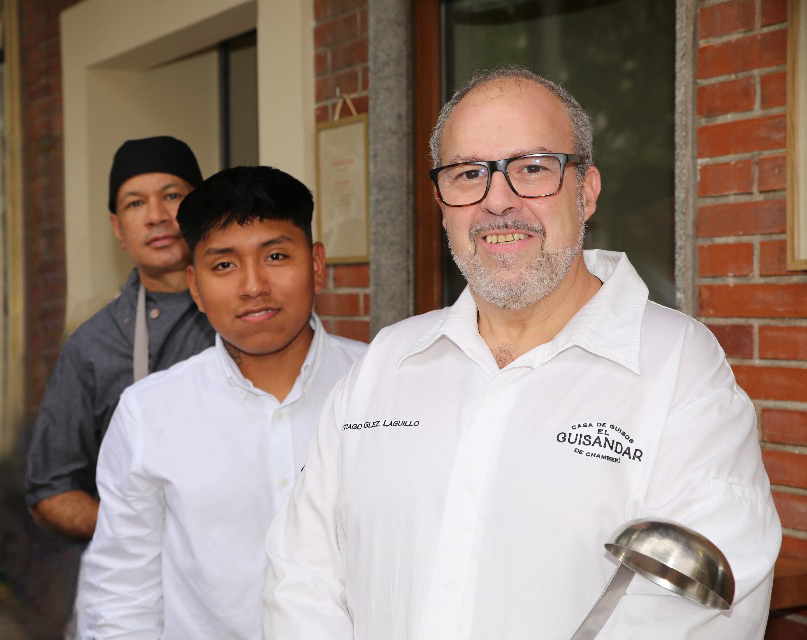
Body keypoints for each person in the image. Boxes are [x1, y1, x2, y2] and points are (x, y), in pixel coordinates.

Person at [263, 68, 781, 639]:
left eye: (532, 168)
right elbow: (302, 573)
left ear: (586, 192)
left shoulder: (678, 367)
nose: (498, 201)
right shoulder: (387, 361)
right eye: (468, 174)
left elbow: (698, 606)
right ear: (442, 204)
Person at [77, 165, 367, 639]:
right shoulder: (150, 412)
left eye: (276, 255)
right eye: (224, 266)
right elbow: (123, 590)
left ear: (316, 265)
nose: (253, 285)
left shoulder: (381, 387)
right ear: (195, 286)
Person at [26, 135, 214, 542]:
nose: (156, 216)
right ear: (117, 227)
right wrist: (139, 533)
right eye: (135, 203)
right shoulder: (93, 344)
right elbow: (51, 489)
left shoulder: (255, 313)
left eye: (172, 196)